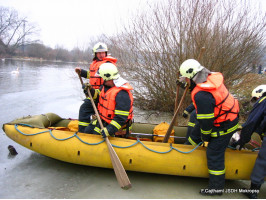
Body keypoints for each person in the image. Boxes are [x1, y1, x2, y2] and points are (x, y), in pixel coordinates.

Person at [179, 59, 240, 196]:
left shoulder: (202, 94)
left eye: (186, 79)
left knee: (213, 153)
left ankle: (216, 188)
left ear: (192, 76)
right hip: (227, 116)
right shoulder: (209, 79)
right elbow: (206, 100)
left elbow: (206, 122)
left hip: (225, 124)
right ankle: (187, 151)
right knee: (194, 134)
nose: (185, 82)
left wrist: (205, 138)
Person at [232, 85, 266, 199]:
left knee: (262, 162)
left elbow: (251, 123)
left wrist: (242, 141)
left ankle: (253, 191)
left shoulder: (263, 101)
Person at [75, 42, 117, 132]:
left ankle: (83, 132)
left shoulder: (108, 64)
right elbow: (92, 75)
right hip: (94, 92)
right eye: (99, 53)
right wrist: (81, 72)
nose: (101, 55)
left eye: (103, 53)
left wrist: (95, 92)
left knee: (85, 108)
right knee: (84, 109)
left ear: (106, 53)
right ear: (95, 54)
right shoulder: (95, 63)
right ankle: (84, 130)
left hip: (102, 94)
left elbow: (109, 80)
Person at [84, 63, 134, 138]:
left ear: (107, 78)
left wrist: (109, 130)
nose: (102, 80)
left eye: (102, 78)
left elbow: (120, 118)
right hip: (104, 121)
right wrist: (90, 90)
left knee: (95, 137)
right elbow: (98, 97)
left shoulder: (122, 94)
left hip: (116, 127)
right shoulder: (106, 86)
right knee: (87, 132)